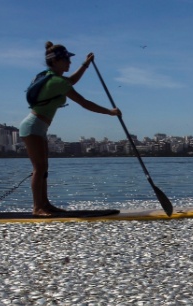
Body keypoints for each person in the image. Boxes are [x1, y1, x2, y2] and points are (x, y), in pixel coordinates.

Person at [18, 42, 121, 215]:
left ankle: (46, 204)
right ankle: (37, 207)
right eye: (66, 60)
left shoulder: (52, 77)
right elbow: (84, 103)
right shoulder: (56, 81)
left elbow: (71, 80)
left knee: (44, 168)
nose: (69, 63)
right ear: (56, 61)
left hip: (39, 128)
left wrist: (85, 64)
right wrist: (109, 112)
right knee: (39, 168)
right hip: (32, 127)